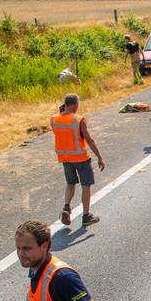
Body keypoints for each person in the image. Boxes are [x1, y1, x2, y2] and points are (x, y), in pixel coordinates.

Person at [52, 94, 105, 227]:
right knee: (85, 186)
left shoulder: (54, 119)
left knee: (70, 184)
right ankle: (86, 216)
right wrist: (99, 157)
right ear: (75, 104)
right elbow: (89, 140)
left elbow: (60, 133)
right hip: (81, 158)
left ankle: (66, 207)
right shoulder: (79, 120)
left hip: (65, 159)